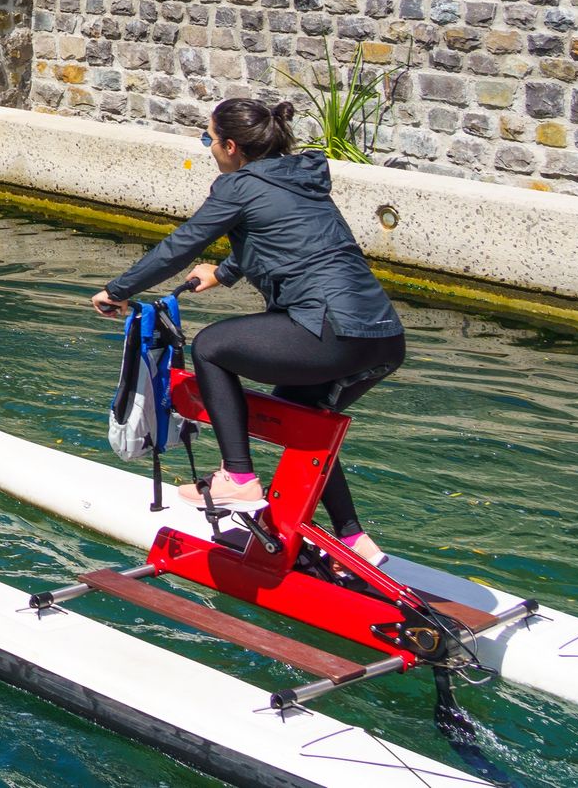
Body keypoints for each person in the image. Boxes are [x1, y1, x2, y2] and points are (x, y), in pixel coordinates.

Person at [90, 97, 405, 564]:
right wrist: (225, 273)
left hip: (328, 327)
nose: (210, 148)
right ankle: (353, 538)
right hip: (382, 337)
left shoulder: (236, 186)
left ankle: (237, 478)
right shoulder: (298, 178)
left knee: (212, 347)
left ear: (231, 146)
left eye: (209, 139)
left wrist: (117, 290)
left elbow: (181, 245)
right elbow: (284, 236)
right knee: (303, 418)